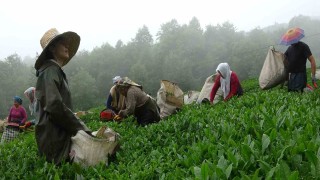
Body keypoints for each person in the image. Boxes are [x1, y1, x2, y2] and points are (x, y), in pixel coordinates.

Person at [34, 28, 91, 164]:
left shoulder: (55, 71)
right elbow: (54, 106)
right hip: (54, 138)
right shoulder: (50, 71)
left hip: (59, 135)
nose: (67, 47)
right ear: (53, 48)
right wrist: (81, 127)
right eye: (63, 44)